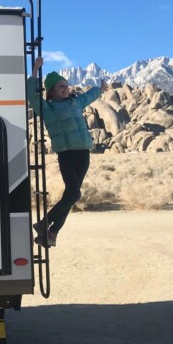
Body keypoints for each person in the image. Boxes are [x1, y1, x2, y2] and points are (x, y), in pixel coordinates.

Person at [27, 57, 108, 248]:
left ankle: (51, 233)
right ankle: (45, 224)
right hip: (67, 155)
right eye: (60, 86)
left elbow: (87, 97)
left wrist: (100, 89)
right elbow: (32, 95)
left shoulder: (75, 103)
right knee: (73, 194)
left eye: (66, 85)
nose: (65, 88)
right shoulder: (47, 108)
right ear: (52, 90)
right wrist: (34, 72)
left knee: (71, 195)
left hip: (83, 154)